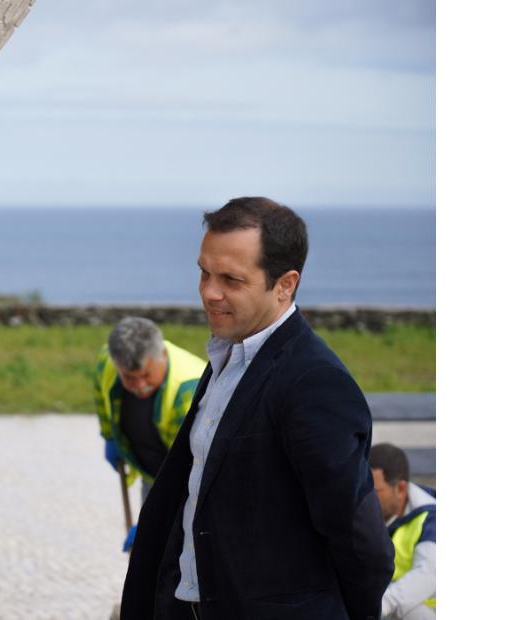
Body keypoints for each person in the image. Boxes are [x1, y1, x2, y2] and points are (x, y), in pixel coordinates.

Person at [120, 197, 394, 619]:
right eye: (204, 272)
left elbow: (361, 545)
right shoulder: (227, 358)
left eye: (231, 279)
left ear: (285, 285)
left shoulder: (315, 384)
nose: (209, 292)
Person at [95, 316, 206, 551]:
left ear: (162, 355)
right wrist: (109, 437)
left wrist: (152, 524)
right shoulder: (108, 360)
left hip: (188, 490)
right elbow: (100, 392)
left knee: (175, 557)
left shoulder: (190, 390)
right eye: (129, 378)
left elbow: (191, 473)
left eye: (146, 375)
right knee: (149, 562)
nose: (139, 386)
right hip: (152, 474)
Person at [370, 443, 436, 619]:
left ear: (400, 489)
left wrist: (378, 607)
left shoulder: (433, 520)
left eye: (374, 491)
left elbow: (428, 574)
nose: (366, 498)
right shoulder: (370, 513)